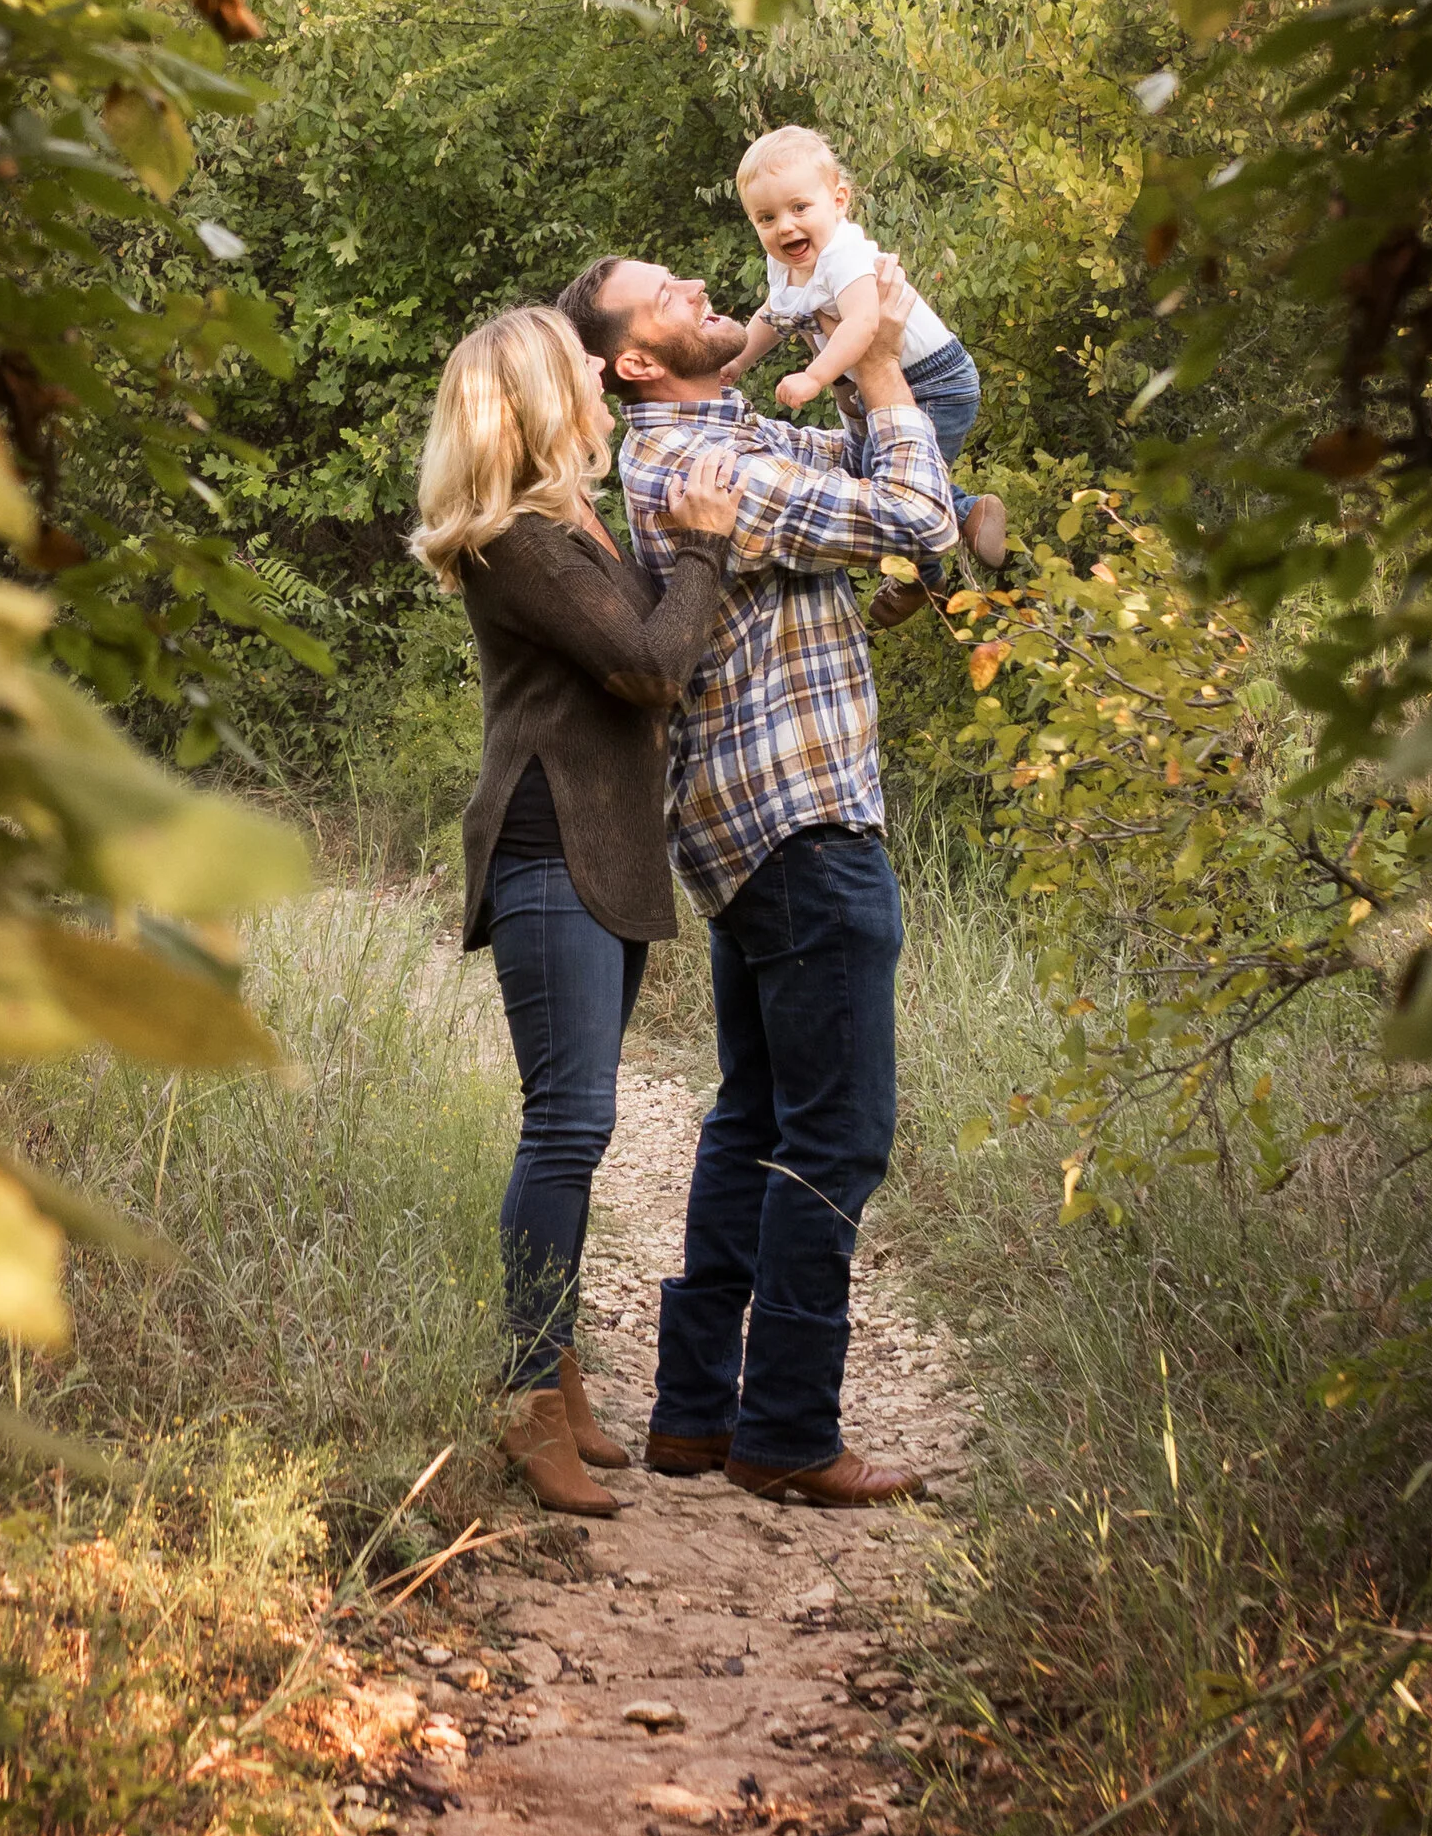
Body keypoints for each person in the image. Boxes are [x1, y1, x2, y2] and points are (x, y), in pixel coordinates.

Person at [556, 249, 952, 1506]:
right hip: (800, 821)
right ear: (633, 361)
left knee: (752, 1118)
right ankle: (785, 1430)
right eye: (669, 294)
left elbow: (868, 476)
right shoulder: (708, 468)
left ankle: (694, 1416)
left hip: (752, 827)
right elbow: (917, 518)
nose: (701, 290)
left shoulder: (714, 440)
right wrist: (881, 362)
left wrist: (845, 370)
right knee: (834, 1133)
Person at [410, 304, 743, 1519]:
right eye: (584, 372)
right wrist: (703, 549)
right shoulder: (514, 539)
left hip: (599, 847)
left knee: (579, 1129)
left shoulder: (569, 522)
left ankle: (560, 1381)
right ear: (547, 396)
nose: (606, 381)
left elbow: (657, 653)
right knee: (566, 1125)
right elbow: (653, 663)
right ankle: (523, 1402)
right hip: (549, 844)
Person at [717, 125, 1005, 606]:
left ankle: (926, 571)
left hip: (936, 380)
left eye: (799, 208)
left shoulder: (843, 254)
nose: (784, 226)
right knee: (874, 476)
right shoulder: (787, 263)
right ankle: (967, 518)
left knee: (889, 480)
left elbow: (864, 324)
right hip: (896, 380)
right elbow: (774, 312)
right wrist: (740, 358)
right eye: (766, 217)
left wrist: (815, 376)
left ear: (839, 201)